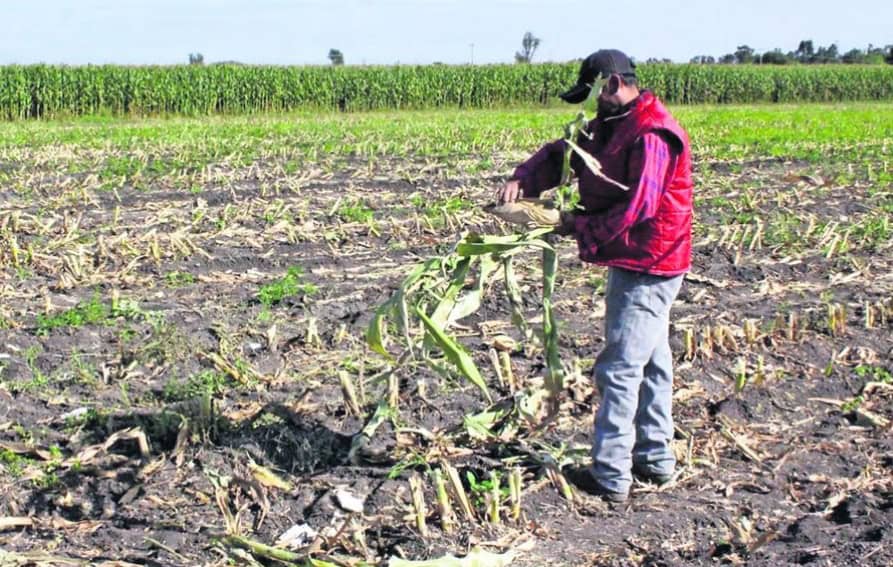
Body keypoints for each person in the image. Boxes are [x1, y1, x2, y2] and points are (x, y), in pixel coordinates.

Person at [495, 49, 693, 503]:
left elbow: (639, 208)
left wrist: (574, 225)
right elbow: (566, 154)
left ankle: (611, 475)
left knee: (620, 367)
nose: (592, 105)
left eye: (595, 94)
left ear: (613, 84)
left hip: (650, 261)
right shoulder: (614, 124)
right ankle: (655, 459)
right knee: (651, 361)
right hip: (639, 257)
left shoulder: (651, 134)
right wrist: (524, 180)